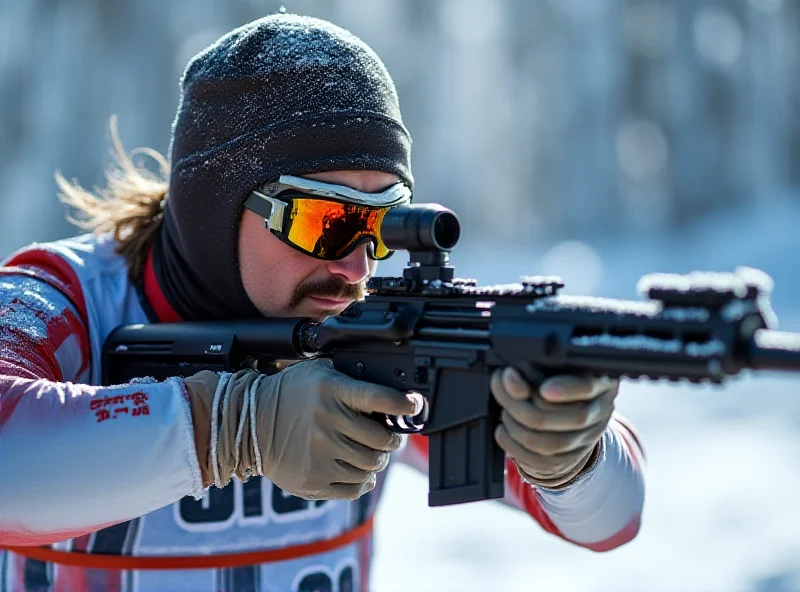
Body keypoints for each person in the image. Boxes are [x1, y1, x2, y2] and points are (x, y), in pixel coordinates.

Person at [0, 13, 645, 592]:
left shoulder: (370, 334)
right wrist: (232, 427)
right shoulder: (64, 299)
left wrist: (572, 459)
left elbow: (611, 523)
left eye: (378, 224)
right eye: (325, 220)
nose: (355, 265)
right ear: (215, 206)